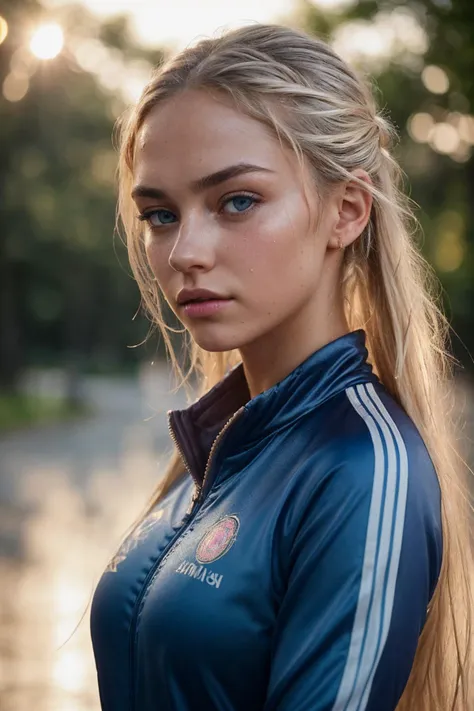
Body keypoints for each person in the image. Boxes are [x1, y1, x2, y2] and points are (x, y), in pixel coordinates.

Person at [90, 22, 473, 711]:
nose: (184, 252)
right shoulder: (218, 447)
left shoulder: (364, 468)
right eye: (160, 214)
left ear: (345, 210)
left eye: (236, 201)